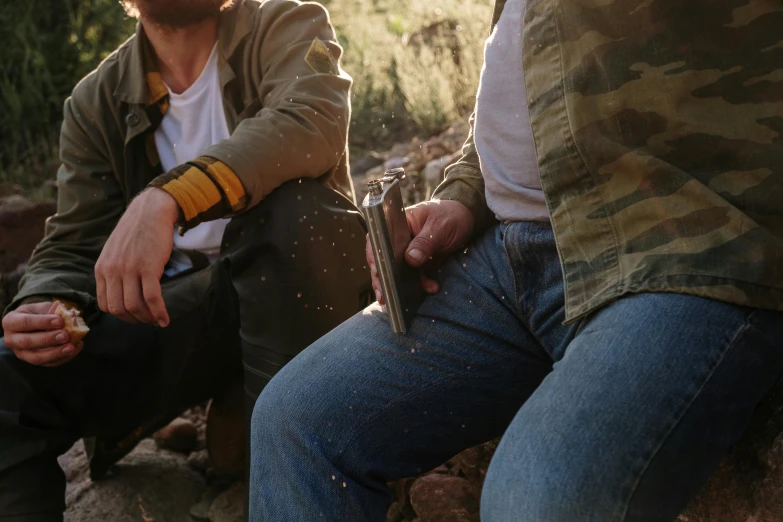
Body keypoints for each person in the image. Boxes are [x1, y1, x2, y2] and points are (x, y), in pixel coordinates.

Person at [249, 0, 783, 520]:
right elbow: (538, 83)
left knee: (537, 500)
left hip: (680, 246)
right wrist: (463, 194)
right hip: (506, 257)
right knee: (297, 424)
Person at [0, 0, 371, 519]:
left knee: (297, 211)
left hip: (298, 293)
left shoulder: (285, 23)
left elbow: (312, 120)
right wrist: (44, 302)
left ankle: (287, 453)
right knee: (9, 376)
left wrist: (167, 198)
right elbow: (73, 240)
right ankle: (242, 411)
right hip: (178, 315)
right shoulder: (95, 100)